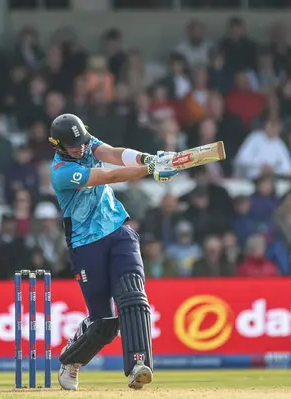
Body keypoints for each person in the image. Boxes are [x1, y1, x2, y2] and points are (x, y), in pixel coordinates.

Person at [48, 113, 180, 391]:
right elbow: (108, 174)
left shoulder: (86, 142)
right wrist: (152, 169)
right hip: (86, 244)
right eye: (73, 146)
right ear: (58, 145)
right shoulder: (60, 171)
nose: (81, 148)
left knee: (133, 296)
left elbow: (114, 154)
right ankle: (71, 360)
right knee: (104, 323)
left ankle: (138, 365)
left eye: (82, 142)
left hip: (118, 230)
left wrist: (147, 159)